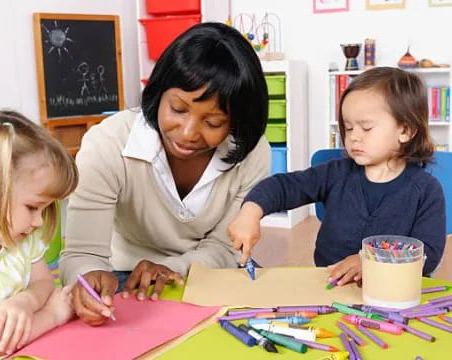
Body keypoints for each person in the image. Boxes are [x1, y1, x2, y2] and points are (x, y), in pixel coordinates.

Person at [60, 22, 270, 326]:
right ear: (159, 92)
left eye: (212, 123)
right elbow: (82, 251)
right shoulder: (108, 143)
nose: (187, 133)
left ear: (236, 122)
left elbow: (226, 247)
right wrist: (90, 277)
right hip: (124, 274)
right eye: (177, 109)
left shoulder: (251, 152)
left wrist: (174, 267)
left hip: (210, 268)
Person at [229, 66, 446, 286]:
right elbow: (284, 186)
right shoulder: (335, 173)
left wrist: (371, 262)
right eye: (349, 128)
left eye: (366, 128)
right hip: (331, 288)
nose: (353, 137)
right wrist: (251, 211)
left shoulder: (426, 190)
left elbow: (428, 254)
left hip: (393, 291)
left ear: (405, 131)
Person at [0, 110, 79, 358]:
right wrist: (51, 315)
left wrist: (26, 302)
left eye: (44, 209)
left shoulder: (21, 239)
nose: (38, 221)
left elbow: (43, 283)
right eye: (32, 207)